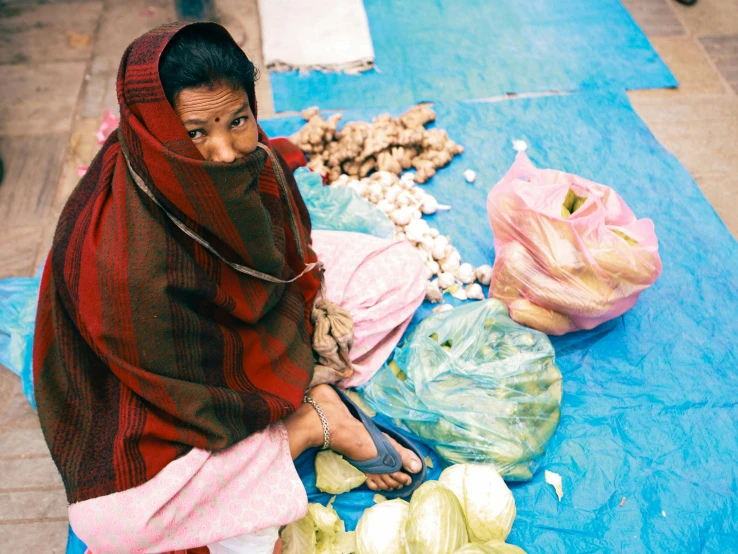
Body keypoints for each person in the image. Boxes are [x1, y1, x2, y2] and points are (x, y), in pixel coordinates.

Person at [33, 22, 427, 554]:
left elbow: (293, 258)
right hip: (177, 386)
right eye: (196, 132)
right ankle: (307, 425)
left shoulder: (252, 160)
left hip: (256, 326)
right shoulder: (126, 260)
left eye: (238, 120)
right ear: (158, 130)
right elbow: (181, 388)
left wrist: (301, 324)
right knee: (110, 524)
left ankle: (290, 417)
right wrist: (279, 384)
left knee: (399, 271)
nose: (224, 150)